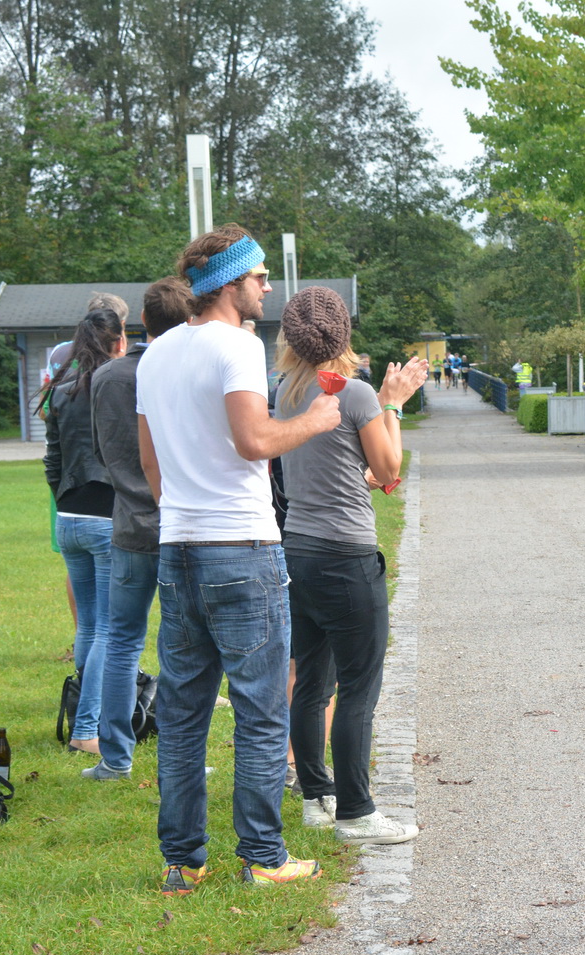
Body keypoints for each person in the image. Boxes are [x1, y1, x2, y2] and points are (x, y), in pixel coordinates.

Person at [137, 224, 343, 894]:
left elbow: (150, 462)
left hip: (178, 547)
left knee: (182, 715)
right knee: (260, 711)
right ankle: (263, 856)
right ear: (229, 283)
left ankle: (182, 861)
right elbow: (254, 440)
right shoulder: (239, 345)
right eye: (259, 277)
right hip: (242, 549)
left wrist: (184, 514)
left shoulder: (156, 354)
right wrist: (316, 419)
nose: (268, 288)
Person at [274, 286, 425, 846]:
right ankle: (357, 812)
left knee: (311, 683)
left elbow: (335, 462)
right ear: (343, 332)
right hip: (346, 556)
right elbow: (387, 469)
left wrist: (378, 402)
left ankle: (318, 797)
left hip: (299, 550)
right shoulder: (354, 392)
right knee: (359, 686)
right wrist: (393, 404)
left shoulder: (286, 391)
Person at [84, 278, 194, 780]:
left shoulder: (107, 376)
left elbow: (101, 451)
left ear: (142, 322)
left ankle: (115, 759)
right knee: (181, 649)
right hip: (179, 526)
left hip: (129, 524)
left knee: (122, 641)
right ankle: (180, 757)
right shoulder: (185, 372)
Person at [44, 308, 126, 756]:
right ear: (118, 341)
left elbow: (52, 460)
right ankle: (86, 729)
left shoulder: (61, 389)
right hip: (104, 516)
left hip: (69, 516)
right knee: (109, 629)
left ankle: (85, 716)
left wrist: (63, 499)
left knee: (91, 626)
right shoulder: (115, 386)